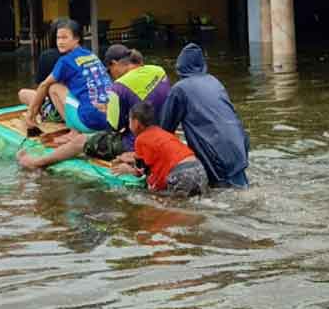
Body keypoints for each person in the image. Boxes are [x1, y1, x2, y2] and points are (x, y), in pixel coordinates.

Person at [17, 19, 113, 170]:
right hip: (109, 119)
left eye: (64, 38)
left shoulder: (65, 61)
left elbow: (43, 85)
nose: (60, 42)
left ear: (76, 39)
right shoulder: (91, 55)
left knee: (53, 87)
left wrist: (30, 115)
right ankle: (74, 128)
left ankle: (73, 132)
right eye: (58, 38)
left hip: (88, 122)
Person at [160, 43, 250, 188]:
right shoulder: (214, 81)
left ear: (179, 66)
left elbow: (165, 130)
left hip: (216, 152)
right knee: (240, 189)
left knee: (224, 197)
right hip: (239, 146)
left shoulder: (180, 89)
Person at [111, 102, 208, 197]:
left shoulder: (141, 139)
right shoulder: (161, 132)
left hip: (181, 174)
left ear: (136, 123)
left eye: (129, 120)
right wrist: (131, 158)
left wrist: (128, 170)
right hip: (198, 169)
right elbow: (160, 156)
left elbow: (141, 171)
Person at [103, 44, 171, 150]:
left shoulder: (119, 87)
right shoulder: (159, 70)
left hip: (139, 143)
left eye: (109, 70)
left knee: (91, 143)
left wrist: (108, 110)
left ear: (114, 64)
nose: (110, 75)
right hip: (166, 133)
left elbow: (114, 128)